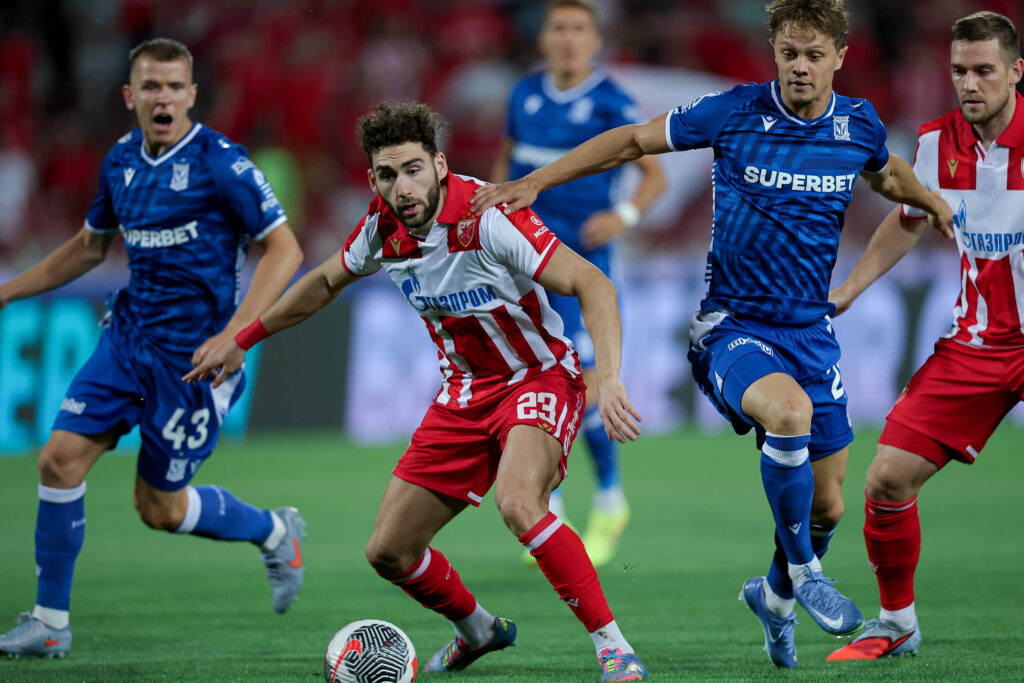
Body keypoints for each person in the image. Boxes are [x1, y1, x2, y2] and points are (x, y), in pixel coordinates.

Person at [472, 0, 954, 669]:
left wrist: (926, 208)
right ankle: (809, 571)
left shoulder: (858, 125)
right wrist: (535, 180)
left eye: (815, 55)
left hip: (809, 333)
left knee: (830, 499)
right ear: (774, 54)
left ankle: (778, 596)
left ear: (841, 57)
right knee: (790, 413)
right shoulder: (733, 110)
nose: (801, 68)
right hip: (731, 326)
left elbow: (894, 181)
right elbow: (633, 142)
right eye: (789, 53)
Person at [185, 101, 649, 682]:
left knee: (518, 502)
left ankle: (613, 647)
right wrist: (244, 338)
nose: (402, 188)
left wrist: (607, 378)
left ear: (439, 165)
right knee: (388, 551)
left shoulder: (486, 215)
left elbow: (592, 282)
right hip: (463, 394)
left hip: (538, 377)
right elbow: (326, 281)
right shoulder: (381, 227)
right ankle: (478, 630)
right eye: (386, 175)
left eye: (412, 170)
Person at [0, 38, 305, 659]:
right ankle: (50, 621)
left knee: (158, 509)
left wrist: (238, 335)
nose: (162, 97)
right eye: (150, 86)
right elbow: (90, 247)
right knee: (58, 461)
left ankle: (274, 530)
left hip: (194, 365)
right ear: (130, 96)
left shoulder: (223, 163)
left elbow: (286, 250)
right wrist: (8, 292)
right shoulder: (120, 162)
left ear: (191, 95)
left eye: (173, 86)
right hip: (127, 342)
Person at [827, 11, 1023, 662]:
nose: (970, 84)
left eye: (984, 71)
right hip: (977, 343)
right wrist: (851, 287)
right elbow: (908, 220)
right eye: (960, 71)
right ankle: (897, 622)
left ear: (1015, 72)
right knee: (886, 477)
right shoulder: (937, 143)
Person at [492, 0, 666, 568]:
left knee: (585, 384)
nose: (568, 39)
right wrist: (492, 213)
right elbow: (507, 158)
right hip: (525, 267)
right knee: (538, 381)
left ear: (595, 41)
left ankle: (609, 497)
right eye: (558, 28)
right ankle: (558, 502)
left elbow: (654, 174)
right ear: (543, 39)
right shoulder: (524, 95)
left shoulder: (611, 100)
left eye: (578, 30)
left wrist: (625, 217)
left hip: (584, 269)